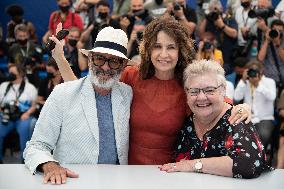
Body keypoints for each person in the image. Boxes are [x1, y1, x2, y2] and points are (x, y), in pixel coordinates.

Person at [52, 16, 252, 165]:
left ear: (181, 50)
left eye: (171, 47)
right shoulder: (131, 75)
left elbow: (221, 106)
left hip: (168, 173)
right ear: (148, 49)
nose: (163, 54)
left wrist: (243, 107)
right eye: (157, 46)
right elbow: (85, 92)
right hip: (125, 172)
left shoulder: (188, 86)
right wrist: (60, 58)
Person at [23, 25, 132, 185]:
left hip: (117, 183)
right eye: (100, 58)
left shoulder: (127, 94)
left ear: (123, 66)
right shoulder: (62, 93)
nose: (105, 67)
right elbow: (36, 146)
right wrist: (48, 164)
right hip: (72, 183)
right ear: (90, 59)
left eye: (114, 61)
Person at [160, 60, 272, 178]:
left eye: (209, 90)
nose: (201, 97)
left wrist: (192, 165)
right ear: (186, 93)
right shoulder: (187, 123)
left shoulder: (236, 118)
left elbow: (250, 165)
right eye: (194, 91)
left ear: (223, 90)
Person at [234, 60, 276, 154]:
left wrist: (258, 85)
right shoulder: (246, 82)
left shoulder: (269, 82)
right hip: (248, 117)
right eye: (251, 71)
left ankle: (258, 156)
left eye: (255, 71)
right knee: (241, 134)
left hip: (265, 118)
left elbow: (272, 97)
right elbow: (237, 97)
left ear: (261, 71)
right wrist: (243, 81)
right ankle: (247, 156)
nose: (253, 74)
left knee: (263, 135)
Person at [0, 64, 37, 164]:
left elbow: (34, 106)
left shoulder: (30, 88)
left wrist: (27, 113)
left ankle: (24, 159)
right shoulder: (3, 86)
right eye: (9, 73)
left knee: (25, 130)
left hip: (22, 116)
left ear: (20, 74)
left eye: (13, 73)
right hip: (6, 116)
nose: (10, 75)